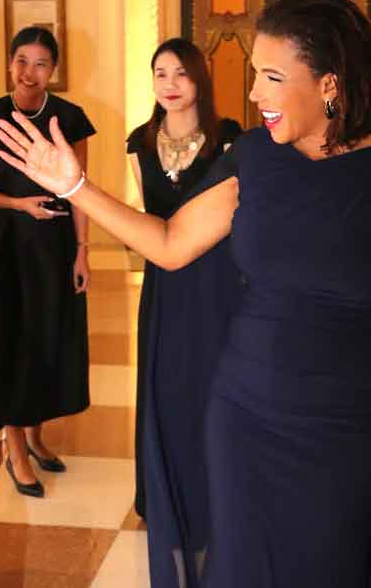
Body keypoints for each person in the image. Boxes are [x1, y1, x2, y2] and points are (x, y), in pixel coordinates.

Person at [0, 0, 371, 587]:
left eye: (272, 77)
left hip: (350, 423)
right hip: (244, 411)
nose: (254, 95)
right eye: (254, 76)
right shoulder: (253, 158)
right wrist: (76, 186)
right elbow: (168, 242)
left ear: (329, 82)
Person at [125, 38, 242, 586]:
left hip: (217, 285)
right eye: (159, 73)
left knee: (213, 384)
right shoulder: (138, 142)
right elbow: (145, 222)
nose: (168, 83)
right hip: (164, 286)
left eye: (179, 73)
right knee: (166, 386)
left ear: (200, 79)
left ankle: (218, 490)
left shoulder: (231, 139)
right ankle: (163, 494)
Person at [0, 26, 94, 498]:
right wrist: (20, 205)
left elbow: (83, 194)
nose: (29, 71)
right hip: (5, 249)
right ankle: (14, 446)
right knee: (5, 343)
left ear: (53, 70)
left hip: (54, 248)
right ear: (9, 64)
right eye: (22, 60)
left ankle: (35, 435)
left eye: (41, 63)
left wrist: (82, 251)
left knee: (45, 338)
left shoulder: (71, 119)